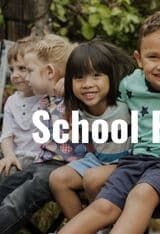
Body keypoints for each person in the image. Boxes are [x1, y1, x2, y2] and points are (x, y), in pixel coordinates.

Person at [59, 10, 160, 234]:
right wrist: (65, 84)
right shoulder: (130, 84)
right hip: (134, 160)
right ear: (139, 58)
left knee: (140, 195)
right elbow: (101, 95)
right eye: (153, 57)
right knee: (104, 206)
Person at [0, 34, 86, 234]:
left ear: (49, 72)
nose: (26, 78)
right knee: (8, 184)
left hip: (67, 166)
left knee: (18, 200)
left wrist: (70, 84)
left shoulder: (75, 96)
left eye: (29, 71)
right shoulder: (44, 100)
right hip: (44, 162)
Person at [49, 40, 136, 219]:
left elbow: (142, 77)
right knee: (58, 179)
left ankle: (105, 225)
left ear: (111, 77)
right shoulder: (77, 106)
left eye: (96, 75)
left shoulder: (124, 99)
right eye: (79, 77)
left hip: (129, 162)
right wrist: (67, 83)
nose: (87, 84)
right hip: (98, 160)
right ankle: (82, 228)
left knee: (92, 178)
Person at [0, 36, 42, 181]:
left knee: (11, 176)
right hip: (15, 156)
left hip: (38, 160)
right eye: (12, 69)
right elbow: (7, 135)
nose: (15, 75)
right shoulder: (12, 101)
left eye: (22, 68)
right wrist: (9, 156)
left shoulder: (47, 98)